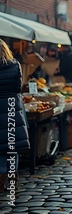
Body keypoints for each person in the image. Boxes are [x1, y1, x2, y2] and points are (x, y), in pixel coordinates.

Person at [0, 39, 30, 192]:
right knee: (12, 146)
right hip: (11, 107)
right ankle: (13, 181)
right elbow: (18, 87)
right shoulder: (14, 65)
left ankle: (0, 181)